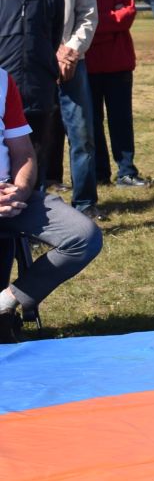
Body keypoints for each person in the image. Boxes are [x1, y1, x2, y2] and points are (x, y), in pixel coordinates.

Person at [0, 33, 103, 341]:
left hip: (11, 197)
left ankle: (6, 302)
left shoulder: (3, 81)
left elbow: (23, 151)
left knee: (83, 236)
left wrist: (19, 188)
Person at [16, 0, 99, 219]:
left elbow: (87, 14)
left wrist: (71, 49)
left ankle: (85, 202)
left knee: (82, 135)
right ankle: (29, 201)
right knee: (27, 139)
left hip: (69, 64)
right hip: (27, 69)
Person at [72, 0, 147, 188]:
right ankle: (99, 173)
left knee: (121, 121)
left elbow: (126, 15)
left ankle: (126, 171)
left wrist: (90, 25)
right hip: (86, 67)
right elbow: (69, 22)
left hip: (118, 66)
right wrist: (108, 21)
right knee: (90, 124)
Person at [0, 0, 69, 186]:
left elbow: (52, 39)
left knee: (35, 158)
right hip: (2, 90)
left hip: (37, 91)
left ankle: (34, 218)